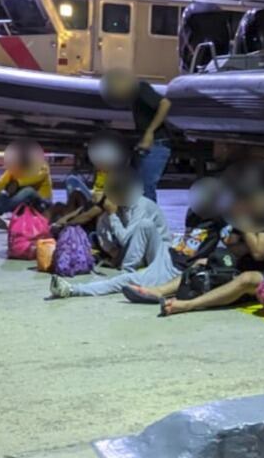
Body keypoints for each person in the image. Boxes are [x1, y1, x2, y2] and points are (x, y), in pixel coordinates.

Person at [160, 176, 264, 316]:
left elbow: (259, 253)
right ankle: (161, 290)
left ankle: (188, 305)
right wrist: (244, 243)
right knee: (204, 261)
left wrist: (244, 224)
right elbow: (233, 248)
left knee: (246, 279)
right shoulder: (249, 214)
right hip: (254, 264)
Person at [49, 170, 187, 298]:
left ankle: (75, 289)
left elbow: (128, 239)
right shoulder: (118, 204)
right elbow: (99, 227)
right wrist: (112, 250)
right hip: (151, 255)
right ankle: (124, 269)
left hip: (159, 253)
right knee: (101, 231)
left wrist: (112, 215)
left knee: (145, 226)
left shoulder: (142, 205)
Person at [100, 68, 173, 202]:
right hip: (148, 144)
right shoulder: (132, 96)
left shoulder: (140, 88)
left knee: (145, 187)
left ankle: (151, 221)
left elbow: (165, 104)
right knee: (136, 186)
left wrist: (150, 132)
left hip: (157, 143)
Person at [53, 132, 128, 230]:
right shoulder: (103, 173)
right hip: (95, 205)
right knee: (75, 196)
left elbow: (90, 214)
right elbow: (90, 205)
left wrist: (67, 223)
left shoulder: (115, 183)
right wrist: (66, 218)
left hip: (103, 223)